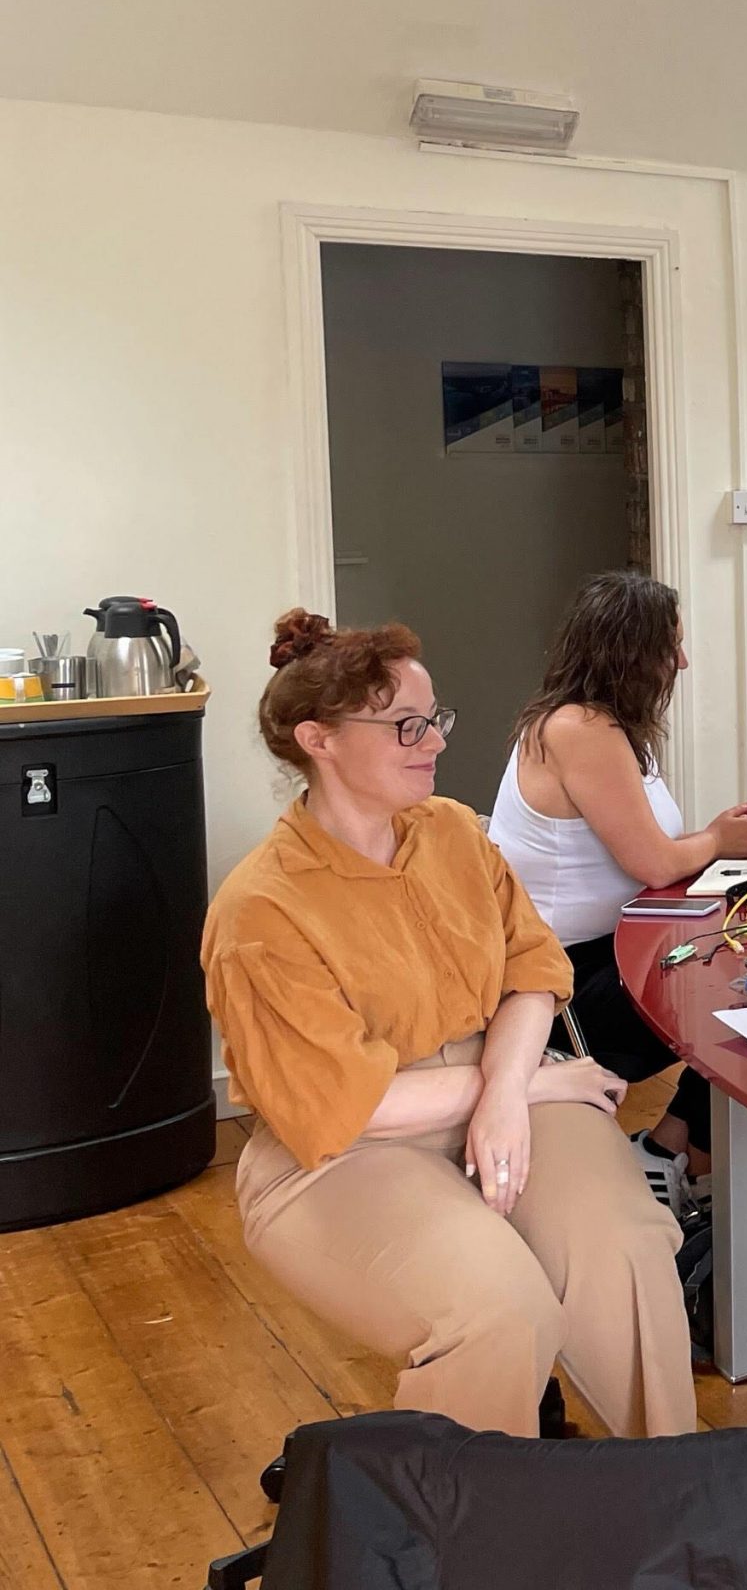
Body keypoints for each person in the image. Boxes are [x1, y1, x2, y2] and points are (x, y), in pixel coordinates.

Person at [201, 609, 693, 1440]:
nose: (431, 741)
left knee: (632, 1248)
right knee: (499, 1313)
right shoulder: (262, 910)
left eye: (435, 720)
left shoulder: (455, 833)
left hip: (498, 1084)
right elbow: (342, 1107)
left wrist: (509, 1093)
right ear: (318, 741)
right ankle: (471, 1540)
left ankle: (682, 1502)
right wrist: (533, 1083)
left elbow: (534, 971)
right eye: (404, 726)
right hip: (340, 1151)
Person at [488, 570, 747, 1208]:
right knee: (743, 998)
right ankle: (677, 1157)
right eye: (672, 646)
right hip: (557, 981)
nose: (683, 662)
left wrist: (714, 843)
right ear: (633, 653)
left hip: (604, 950)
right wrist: (717, 841)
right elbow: (653, 862)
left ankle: (670, 1153)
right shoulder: (579, 729)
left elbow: (654, 850)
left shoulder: (606, 727)